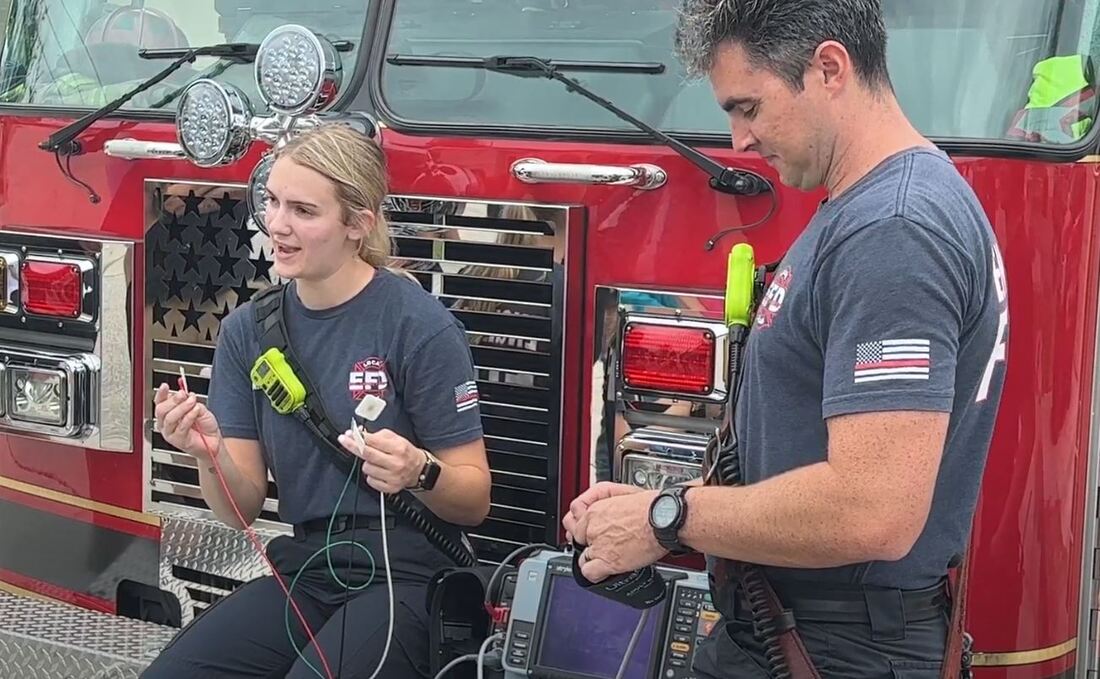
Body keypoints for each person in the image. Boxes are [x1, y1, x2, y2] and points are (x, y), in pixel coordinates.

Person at [563, 0, 1010, 677]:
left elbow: (873, 511)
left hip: (838, 644)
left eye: (748, 107)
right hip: (799, 629)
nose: (738, 142)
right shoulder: (866, 209)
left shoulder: (894, 230)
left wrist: (665, 515)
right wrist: (664, 507)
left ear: (829, 67)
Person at [144, 123, 492, 679]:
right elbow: (242, 511)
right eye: (273, 202)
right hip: (307, 569)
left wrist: (419, 471)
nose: (277, 226)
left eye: (304, 211)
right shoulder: (246, 331)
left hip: (405, 576)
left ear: (358, 224)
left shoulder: (417, 325)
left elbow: (474, 499)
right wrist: (207, 452)